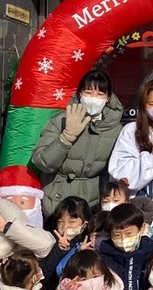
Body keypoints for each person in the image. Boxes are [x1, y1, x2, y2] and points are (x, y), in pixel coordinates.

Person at [31, 70, 126, 216]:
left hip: (93, 200)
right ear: (80, 94)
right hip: (57, 197)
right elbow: (43, 162)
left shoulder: (115, 128)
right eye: (88, 92)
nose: (93, 98)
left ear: (108, 98)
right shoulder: (60, 121)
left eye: (100, 94)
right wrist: (66, 137)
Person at [108, 78, 153, 224]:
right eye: (152, 104)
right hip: (139, 209)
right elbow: (120, 173)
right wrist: (150, 159)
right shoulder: (131, 130)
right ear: (143, 105)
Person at [40, 195, 93, 290]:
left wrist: (81, 254)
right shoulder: (50, 241)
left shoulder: (89, 243)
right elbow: (44, 273)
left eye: (72, 222)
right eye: (60, 221)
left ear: (84, 225)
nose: (65, 227)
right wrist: (60, 249)